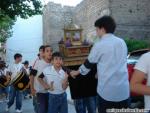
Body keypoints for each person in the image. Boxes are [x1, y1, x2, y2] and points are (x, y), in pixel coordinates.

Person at [70, 16, 130, 113]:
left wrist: (76, 72)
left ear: (102, 29)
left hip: (107, 94)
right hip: (124, 92)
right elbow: (116, 62)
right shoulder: (122, 42)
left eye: (97, 29)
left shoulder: (99, 44)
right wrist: (99, 71)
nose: (96, 32)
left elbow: (88, 64)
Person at [30, 45, 52, 113]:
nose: (49, 53)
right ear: (43, 53)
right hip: (39, 92)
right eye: (47, 51)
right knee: (41, 110)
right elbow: (32, 76)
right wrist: (32, 89)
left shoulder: (53, 63)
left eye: (51, 51)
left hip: (50, 92)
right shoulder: (38, 62)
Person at [30, 45, 45, 113]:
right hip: (38, 90)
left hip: (47, 90)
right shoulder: (36, 62)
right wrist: (32, 89)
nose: (42, 53)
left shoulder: (49, 62)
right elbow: (32, 75)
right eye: (41, 51)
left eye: (44, 51)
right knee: (38, 108)